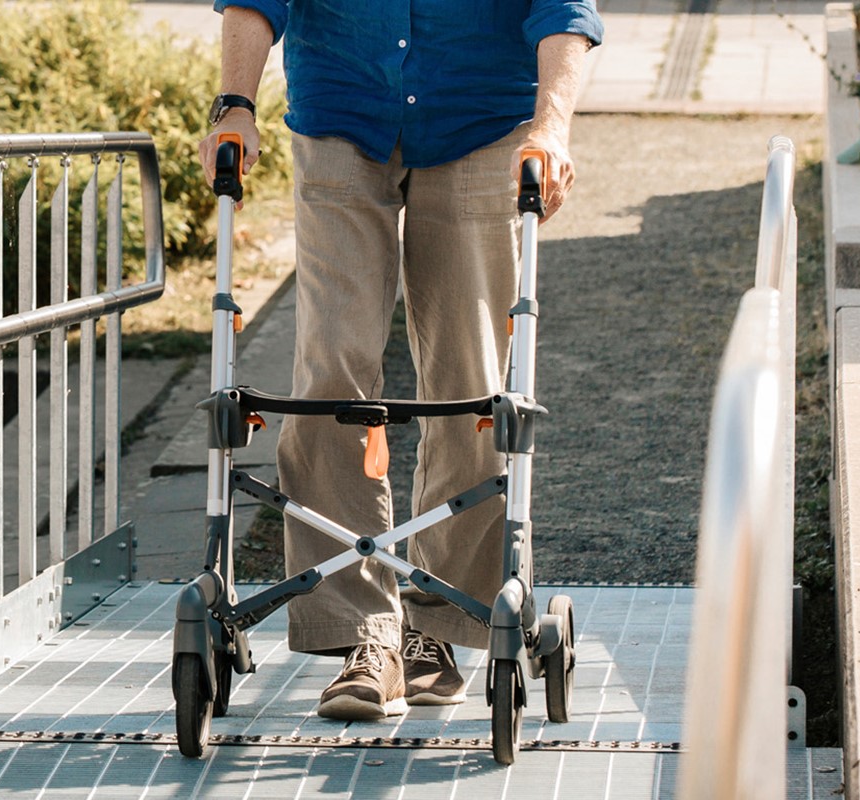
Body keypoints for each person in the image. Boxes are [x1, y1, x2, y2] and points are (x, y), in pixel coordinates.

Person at [201, 0, 604, 721]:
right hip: (341, 113)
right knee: (331, 376)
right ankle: (363, 633)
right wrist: (236, 104)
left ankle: (439, 624)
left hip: (481, 124)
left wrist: (552, 125)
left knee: (472, 386)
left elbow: (564, 10)